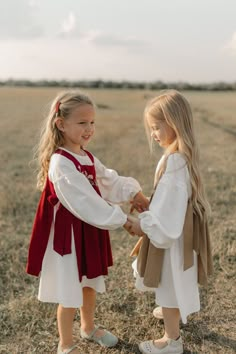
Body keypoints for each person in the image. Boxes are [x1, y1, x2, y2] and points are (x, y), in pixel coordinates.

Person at [26, 90, 149, 354]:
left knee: (89, 283)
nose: (89, 129)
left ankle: (88, 327)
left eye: (92, 122)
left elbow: (107, 180)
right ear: (61, 124)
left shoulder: (86, 156)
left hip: (88, 229)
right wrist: (126, 221)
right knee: (70, 290)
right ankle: (65, 343)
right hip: (68, 236)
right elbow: (85, 201)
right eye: (82, 123)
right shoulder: (60, 162)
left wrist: (133, 193)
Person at [128, 90, 213, 354]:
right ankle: (170, 311)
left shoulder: (176, 161)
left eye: (156, 127)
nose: (153, 133)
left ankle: (171, 340)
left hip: (170, 236)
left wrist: (145, 224)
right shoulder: (180, 156)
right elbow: (168, 200)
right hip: (176, 232)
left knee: (168, 283)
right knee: (173, 281)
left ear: (174, 123)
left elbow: (168, 210)